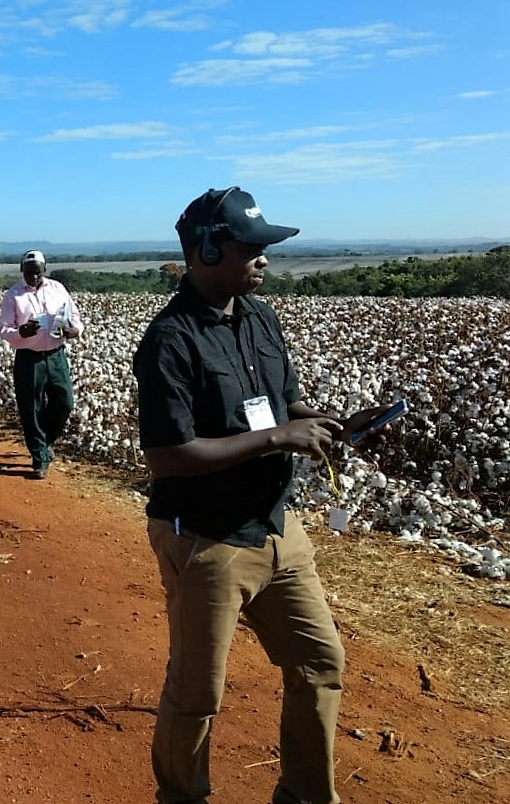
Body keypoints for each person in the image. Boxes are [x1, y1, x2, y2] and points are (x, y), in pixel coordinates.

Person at [132, 186, 390, 804]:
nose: (264, 259)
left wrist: (325, 425)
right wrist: (279, 436)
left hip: (276, 527)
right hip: (205, 538)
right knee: (198, 692)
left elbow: (282, 406)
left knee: (321, 661)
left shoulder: (260, 318)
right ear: (208, 249)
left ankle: (304, 795)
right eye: (252, 247)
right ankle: (181, 795)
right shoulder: (170, 341)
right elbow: (169, 458)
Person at [0, 250, 83, 479]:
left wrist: (74, 330)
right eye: (29, 274)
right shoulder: (13, 296)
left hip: (56, 355)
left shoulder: (57, 289)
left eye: (38, 273)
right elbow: (4, 329)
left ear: (44, 270)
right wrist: (21, 332)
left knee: (65, 402)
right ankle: (40, 458)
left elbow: (74, 317)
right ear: (21, 270)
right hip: (29, 357)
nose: (34, 278)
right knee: (31, 409)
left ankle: (43, 442)